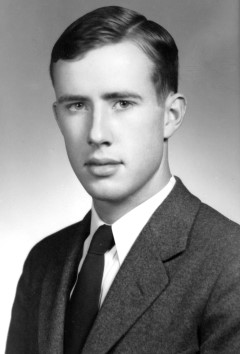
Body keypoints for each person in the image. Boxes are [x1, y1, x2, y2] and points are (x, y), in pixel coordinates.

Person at [6, 6, 240, 354]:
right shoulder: (43, 261)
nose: (97, 134)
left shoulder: (230, 265)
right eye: (77, 106)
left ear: (170, 117)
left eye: (122, 103)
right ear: (58, 117)